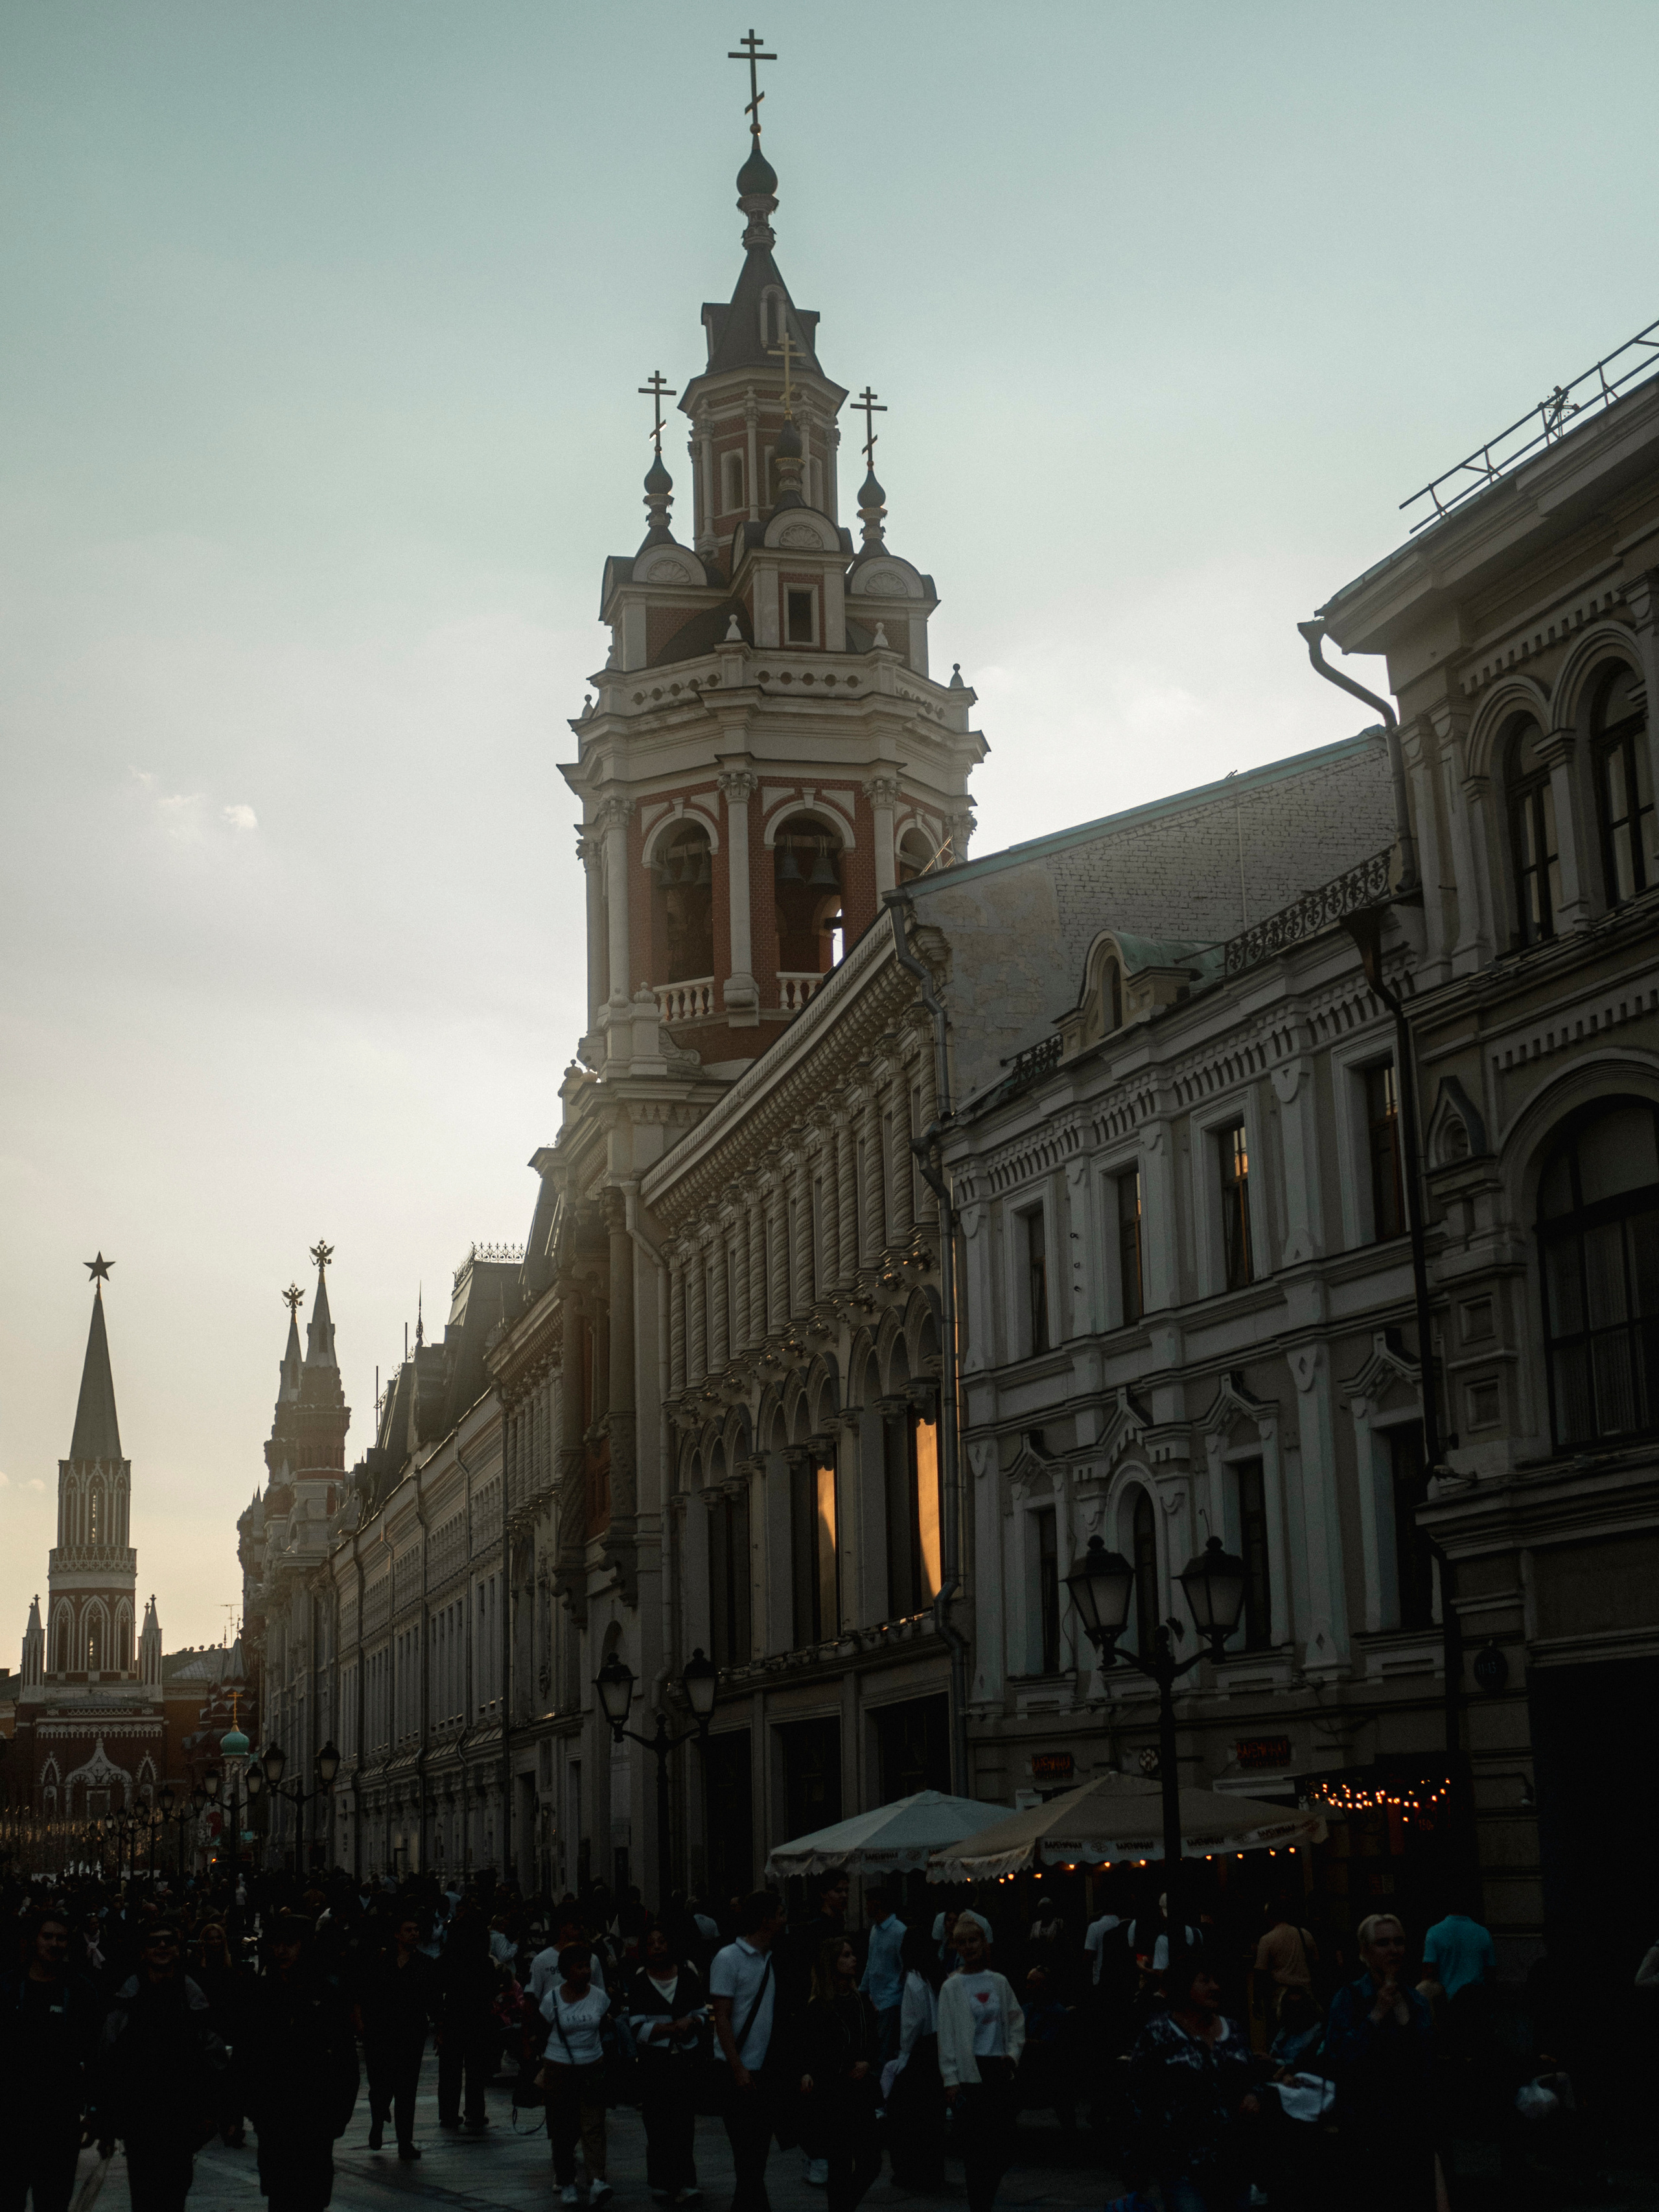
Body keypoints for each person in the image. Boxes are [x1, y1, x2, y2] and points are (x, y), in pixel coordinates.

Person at [96, 1921, 229, 2212]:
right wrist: (106, 2118)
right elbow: (108, 2060)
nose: (162, 1947)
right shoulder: (128, 1999)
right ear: (144, 1951)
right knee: (144, 2197)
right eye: (155, 1942)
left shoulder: (192, 1999)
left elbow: (214, 2056)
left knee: (175, 2195)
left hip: (181, 2117)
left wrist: (212, 2111)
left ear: (178, 1949)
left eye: (168, 1942)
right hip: (139, 2119)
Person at [237, 1917, 361, 2212]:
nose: (281, 1951)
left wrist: (338, 2115)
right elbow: (247, 2053)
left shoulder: (326, 1992)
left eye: (289, 1944)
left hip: (315, 2114)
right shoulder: (263, 1992)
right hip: (275, 2115)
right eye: (276, 1944)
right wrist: (245, 2107)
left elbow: (345, 2058)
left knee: (312, 2194)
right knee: (280, 2195)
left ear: (303, 1946)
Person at [1127, 1956, 1263, 2212]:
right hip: (1182, 2166)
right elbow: (1138, 2097)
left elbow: (1253, 2078)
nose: (1215, 1987)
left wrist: (1254, 2095)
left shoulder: (1233, 2030)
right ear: (1183, 1986)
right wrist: (1135, 2163)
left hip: (1234, 2164)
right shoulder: (1158, 2033)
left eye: (1215, 1981)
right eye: (1204, 1981)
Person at [1326, 1913, 1437, 2212]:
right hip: (1366, 2133)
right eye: (1383, 1943)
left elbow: (1427, 2065)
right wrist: (1375, 2016)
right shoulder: (1348, 1999)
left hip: (1412, 2132)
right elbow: (1338, 2059)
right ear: (1364, 1951)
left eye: (1399, 1942)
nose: (1393, 1950)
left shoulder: (1418, 2002)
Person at [1, 1909, 104, 2212]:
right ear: (34, 1940)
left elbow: (94, 2053)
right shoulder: (7, 1988)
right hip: (10, 2118)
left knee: (54, 2200)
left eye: (61, 1938)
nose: (54, 1944)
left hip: (59, 2118)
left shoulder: (80, 1990)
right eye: (48, 1936)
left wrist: (94, 2109)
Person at [936, 1915, 1025, 2212]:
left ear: (984, 1943)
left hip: (997, 2068)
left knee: (1005, 2146)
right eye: (962, 1942)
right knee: (976, 2152)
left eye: (973, 1940)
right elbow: (946, 2034)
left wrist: (1013, 2054)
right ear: (955, 1947)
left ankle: (985, 2196)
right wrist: (950, 2077)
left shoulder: (999, 1982)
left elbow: (1015, 2019)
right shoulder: (952, 1987)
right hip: (969, 2072)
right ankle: (980, 2205)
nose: (969, 1946)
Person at [710, 1891, 787, 2212]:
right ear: (766, 1920)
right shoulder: (728, 1958)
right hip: (736, 2069)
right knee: (747, 2156)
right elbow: (722, 2017)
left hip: (765, 2069)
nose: (785, 1920)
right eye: (781, 1913)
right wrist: (738, 2067)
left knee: (756, 2157)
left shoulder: (774, 1956)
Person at [800, 1938, 883, 2212]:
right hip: (835, 2094)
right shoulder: (820, 2006)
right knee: (840, 2165)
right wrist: (813, 2072)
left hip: (860, 2093)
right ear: (833, 1963)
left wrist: (867, 2063)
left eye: (853, 1955)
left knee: (871, 2162)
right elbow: (814, 2049)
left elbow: (873, 2041)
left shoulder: (860, 2001)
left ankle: (843, 2207)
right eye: (846, 1956)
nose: (853, 1960)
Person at [629, 1923, 706, 2207]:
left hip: (684, 2060)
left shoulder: (687, 1976)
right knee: (657, 2122)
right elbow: (637, 2026)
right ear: (645, 1950)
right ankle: (660, 2180)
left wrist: (692, 2021)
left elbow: (701, 2014)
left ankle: (686, 2181)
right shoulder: (639, 1981)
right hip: (654, 2064)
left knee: (684, 2123)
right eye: (652, 1943)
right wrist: (670, 2028)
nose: (658, 1947)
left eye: (662, 1942)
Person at [541, 1942, 614, 2207]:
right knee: (563, 2128)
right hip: (560, 2068)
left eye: (588, 1966)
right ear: (566, 1971)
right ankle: (567, 2181)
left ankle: (597, 2181)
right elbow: (542, 2031)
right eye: (579, 1967)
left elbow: (604, 2027)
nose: (585, 1972)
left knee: (594, 2126)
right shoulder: (552, 2000)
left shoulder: (598, 1997)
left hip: (592, 2066)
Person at [360, 1909, 437, 2159]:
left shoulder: (426, 1965)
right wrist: (362, 2023)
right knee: (380, 2085)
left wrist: (440, 2026)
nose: (414, 1934)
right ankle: (378, 2121)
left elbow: (432, 2000)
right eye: (409, 1930)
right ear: (397, 1935)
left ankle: (405, 2141)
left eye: (416, 1930)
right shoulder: (379, 1961)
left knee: (407, 2089)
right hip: (380, 2033)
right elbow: (365, 1994)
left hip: (410, 2034)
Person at [788, 1874, 848, 2187]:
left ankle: (823, 2152)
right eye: (839, 1890)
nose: (844, 1895)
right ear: (825, 1895)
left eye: (846, 1890)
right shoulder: (816, 1930)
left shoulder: (839, 1926)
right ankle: (816, 2153)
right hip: (818, 2009)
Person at [886, 1925, 945, 2191]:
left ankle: (911, 2171)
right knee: (931, 2117)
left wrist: (904, 2053)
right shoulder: (935, 1976)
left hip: (919, 2051)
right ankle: (932, 2171)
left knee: (908, 2118)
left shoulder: (913, 1979)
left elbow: (912, 2022)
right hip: (937, 2047)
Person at [435, 1912, 502, 2134]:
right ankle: (474, 2112)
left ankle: (448, 2113)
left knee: (449, 2071)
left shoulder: (445, 1960)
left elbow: (437, 1993)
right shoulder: (484, 1963)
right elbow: (493, 1989)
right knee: (475, 2070)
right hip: (478, 2019)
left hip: (452, 2017)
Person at [857, 1887, 906, 2065]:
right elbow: (871, 1962)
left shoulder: (899, 1931)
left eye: (868, 1903)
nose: (865, 1908)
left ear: (877, 1904)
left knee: (885, 2051)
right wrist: (863, 1990)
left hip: (891, 2000)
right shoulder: (875, 1930)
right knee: (878, 2046)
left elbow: (904, 1967)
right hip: (875, 1999)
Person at [1255, 1901, 1320, 2020]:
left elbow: (1261, 1972)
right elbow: (1316, 1963)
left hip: (1280, 1998)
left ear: (1269, 1917)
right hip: (1306, 1993)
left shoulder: (1267, 1940)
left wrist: (1258, 2000)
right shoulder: (1305, 1934)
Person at [1421, 1902, 1495, 2003]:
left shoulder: (1434, 1932)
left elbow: (1429, 1972)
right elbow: (1490, 1972)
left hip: (1447, 2001)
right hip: (1477, 2002)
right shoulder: (1483, 1933)